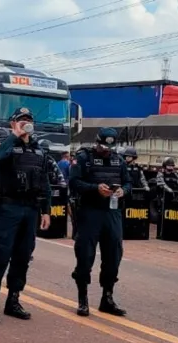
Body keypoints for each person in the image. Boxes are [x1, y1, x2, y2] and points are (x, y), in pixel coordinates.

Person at [0, 107, 51, 324]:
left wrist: (46, 211)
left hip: (30, 209)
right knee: (0, 255)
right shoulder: (3, 146)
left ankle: (13, 300)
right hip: (8, 208)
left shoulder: (39, 151)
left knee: (23, 256)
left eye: (28, 120)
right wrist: (15, 136)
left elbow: (45, 183)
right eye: (21, 121)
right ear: (13, 124)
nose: (25, 123)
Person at [69, 127, 132, 317]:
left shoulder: (118, 160)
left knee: (113, 255)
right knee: (85, 256)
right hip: (90, 212)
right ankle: (83, 299)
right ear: (97, 142)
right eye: (104, 146)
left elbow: (128, 182)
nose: (107, 150)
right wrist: (95, 188)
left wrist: (124, 191)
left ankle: (107, 298)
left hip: (112, 213)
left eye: (110, 147)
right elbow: (74, 183)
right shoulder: (83, 159)